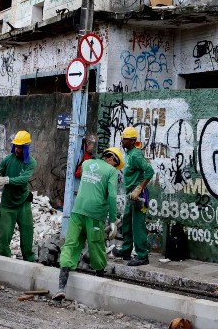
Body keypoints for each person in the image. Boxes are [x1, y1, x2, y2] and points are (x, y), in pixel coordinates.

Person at [54, 146, 123, 300]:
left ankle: (61, 288)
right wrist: (112, 220)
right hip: (95, 213)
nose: (116, 169)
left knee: (71, 244)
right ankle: (99, 285)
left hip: (78, 210)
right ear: (112, 159)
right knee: (96, 245)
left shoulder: (87, 164)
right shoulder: (111, 171)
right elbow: (111, 196)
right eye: (116, 165)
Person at [0, 130, 38, 261]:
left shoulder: (31, 162)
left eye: (20, 147)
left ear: (26, 148)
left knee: (27, 235)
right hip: (7, 205)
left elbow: (24, 179)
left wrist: (6, 180)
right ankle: (4, 261)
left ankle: (29, 261)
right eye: (16, 146)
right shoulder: (8, 159)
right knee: (4, 236)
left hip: (23, 203)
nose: (17, 150)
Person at [112, 126, 154, 266]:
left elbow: (149, 171)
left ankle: (142, 256)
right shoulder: (129, 153)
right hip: (130, 196)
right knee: (127, 223)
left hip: (138, 196)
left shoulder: (136, 155)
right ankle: (126, 251)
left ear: (131, 141)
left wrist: (139, 188)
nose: (122, 141)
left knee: (138, 226)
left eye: (124, 139)